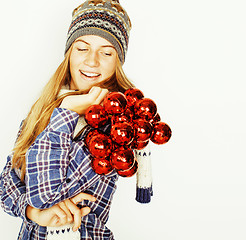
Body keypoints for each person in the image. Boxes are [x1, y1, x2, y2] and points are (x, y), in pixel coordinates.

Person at [0, 0, 153, 239]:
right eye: (82, 48)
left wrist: (68, 111)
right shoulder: (44, 109)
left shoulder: (114, 128)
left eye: (106, 52)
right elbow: (5, 186)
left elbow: (45, 194)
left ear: (117, 62)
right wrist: (32, 212)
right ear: (69, 53)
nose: (92, 61)